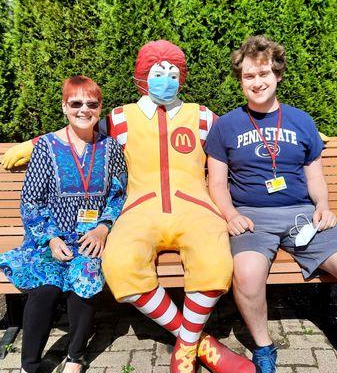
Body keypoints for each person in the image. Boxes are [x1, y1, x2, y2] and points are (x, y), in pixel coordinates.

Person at [2, 41, 257, 373]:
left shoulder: (203, 116)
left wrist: (299, 133)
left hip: (197, 207)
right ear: (142, 76)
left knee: (215, 259)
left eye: (172, 72)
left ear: (181, 77)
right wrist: (32, 143)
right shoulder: (122, 118)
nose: (165, 79)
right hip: (139, 209)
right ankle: (197, 341)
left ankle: (184, 349)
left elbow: (240, 136)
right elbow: (80, 132)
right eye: (156, 72)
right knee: (120, 264)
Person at [205, 35, 337, 373]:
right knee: (247, 275)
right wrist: (230, 215)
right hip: (252, 218)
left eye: (264, 74)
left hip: (303, 213)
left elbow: (315, 177)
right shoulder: (225, 126)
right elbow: (216, 183)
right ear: (241, 80)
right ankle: (264, 346)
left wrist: (324, 206)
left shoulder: (301, 121)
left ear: (278, 74)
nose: (257, 82)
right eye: (249, 76)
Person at [0, 76, 127, 373]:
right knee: (45, 288)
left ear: (99, 108)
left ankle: (75, 357)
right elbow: (31, 200)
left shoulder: (110, 148)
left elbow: (119, 194)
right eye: (76, 103)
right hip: (50, 237)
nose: (84, 110)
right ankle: (29, 365)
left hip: (90, 236)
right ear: (64, 106)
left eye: (92, 104)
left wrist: (103, 228)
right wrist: (50, 239)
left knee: (87, 273)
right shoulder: (45, 146)